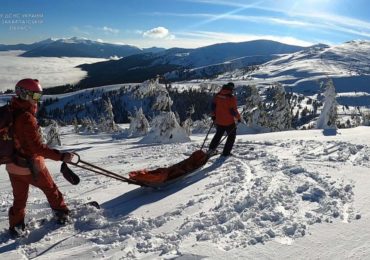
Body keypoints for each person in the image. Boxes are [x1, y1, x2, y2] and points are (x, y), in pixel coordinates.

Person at [6, 78, 74, 237]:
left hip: (12, 166)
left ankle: (16, 226)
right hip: (32, 166)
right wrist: (61, 156)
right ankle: (62, 213)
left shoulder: (9, 110)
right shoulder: (26, 118)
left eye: (38, 96)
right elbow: (37, 147)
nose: (37, 100)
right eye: (35, 96)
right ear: (24, 94)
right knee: (51, 189)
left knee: (19, 199)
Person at [208, 82, 241, 157]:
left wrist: (213, 115)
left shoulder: (218, 95)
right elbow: (233, 111)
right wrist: (239, 118)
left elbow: (213, 107)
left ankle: (211, 149)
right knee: (231, 136)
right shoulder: (231, 98)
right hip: (229, 121)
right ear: (231, 89)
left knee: (218, 135)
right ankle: (226, 153)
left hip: (219, 120)